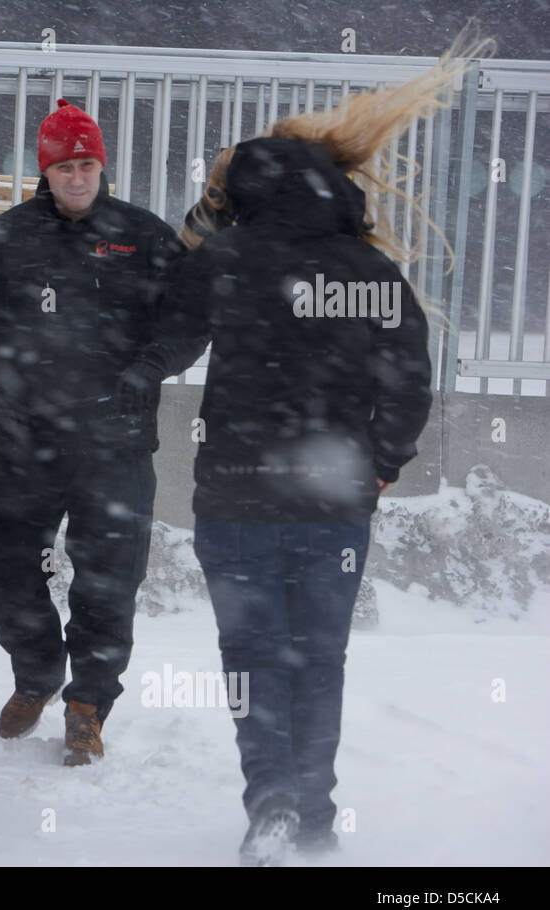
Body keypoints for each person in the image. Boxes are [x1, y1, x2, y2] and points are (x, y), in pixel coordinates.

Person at [133, 32, 491, 863]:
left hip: (236, 495)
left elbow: (162, 347)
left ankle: (271, 804)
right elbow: (409, 379)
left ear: (245, 193)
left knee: (252, 656)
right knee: (319, 658)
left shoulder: (221, 261)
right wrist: (385, 462)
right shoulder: (369, 270)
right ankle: (316, 815)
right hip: (335, 500)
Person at [0, 99, 205, 766]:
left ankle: (88, 707)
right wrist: (0, 409)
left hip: (116, 444)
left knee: (108, 582)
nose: (78, 177)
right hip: (29, 444)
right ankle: (37, 674)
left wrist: (151, 368)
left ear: (101, 166)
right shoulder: (4, 241)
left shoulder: (145, 238)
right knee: (3, 574)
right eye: (65, 166)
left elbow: (190, 319)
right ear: (46, 171)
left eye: (87, 164)